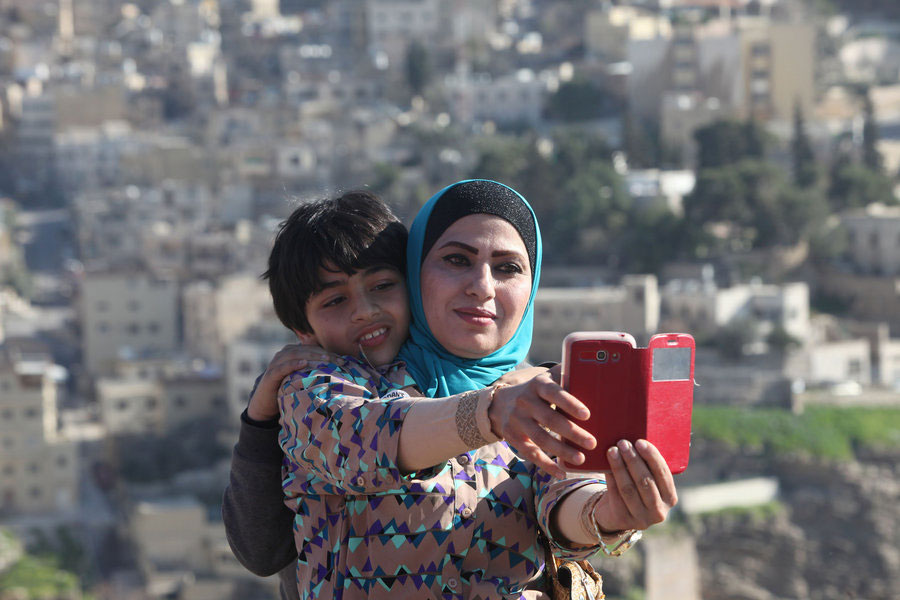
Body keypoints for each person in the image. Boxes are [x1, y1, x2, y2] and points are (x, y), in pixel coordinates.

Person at [223, 180, 677, 599]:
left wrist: (610, 514)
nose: (482, 287)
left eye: (508, 268)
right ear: (417, 271)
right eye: (457, 260)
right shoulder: (320, 384)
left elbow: (559, 496)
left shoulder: (533, 393)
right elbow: (365, 439)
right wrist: (489, 412)